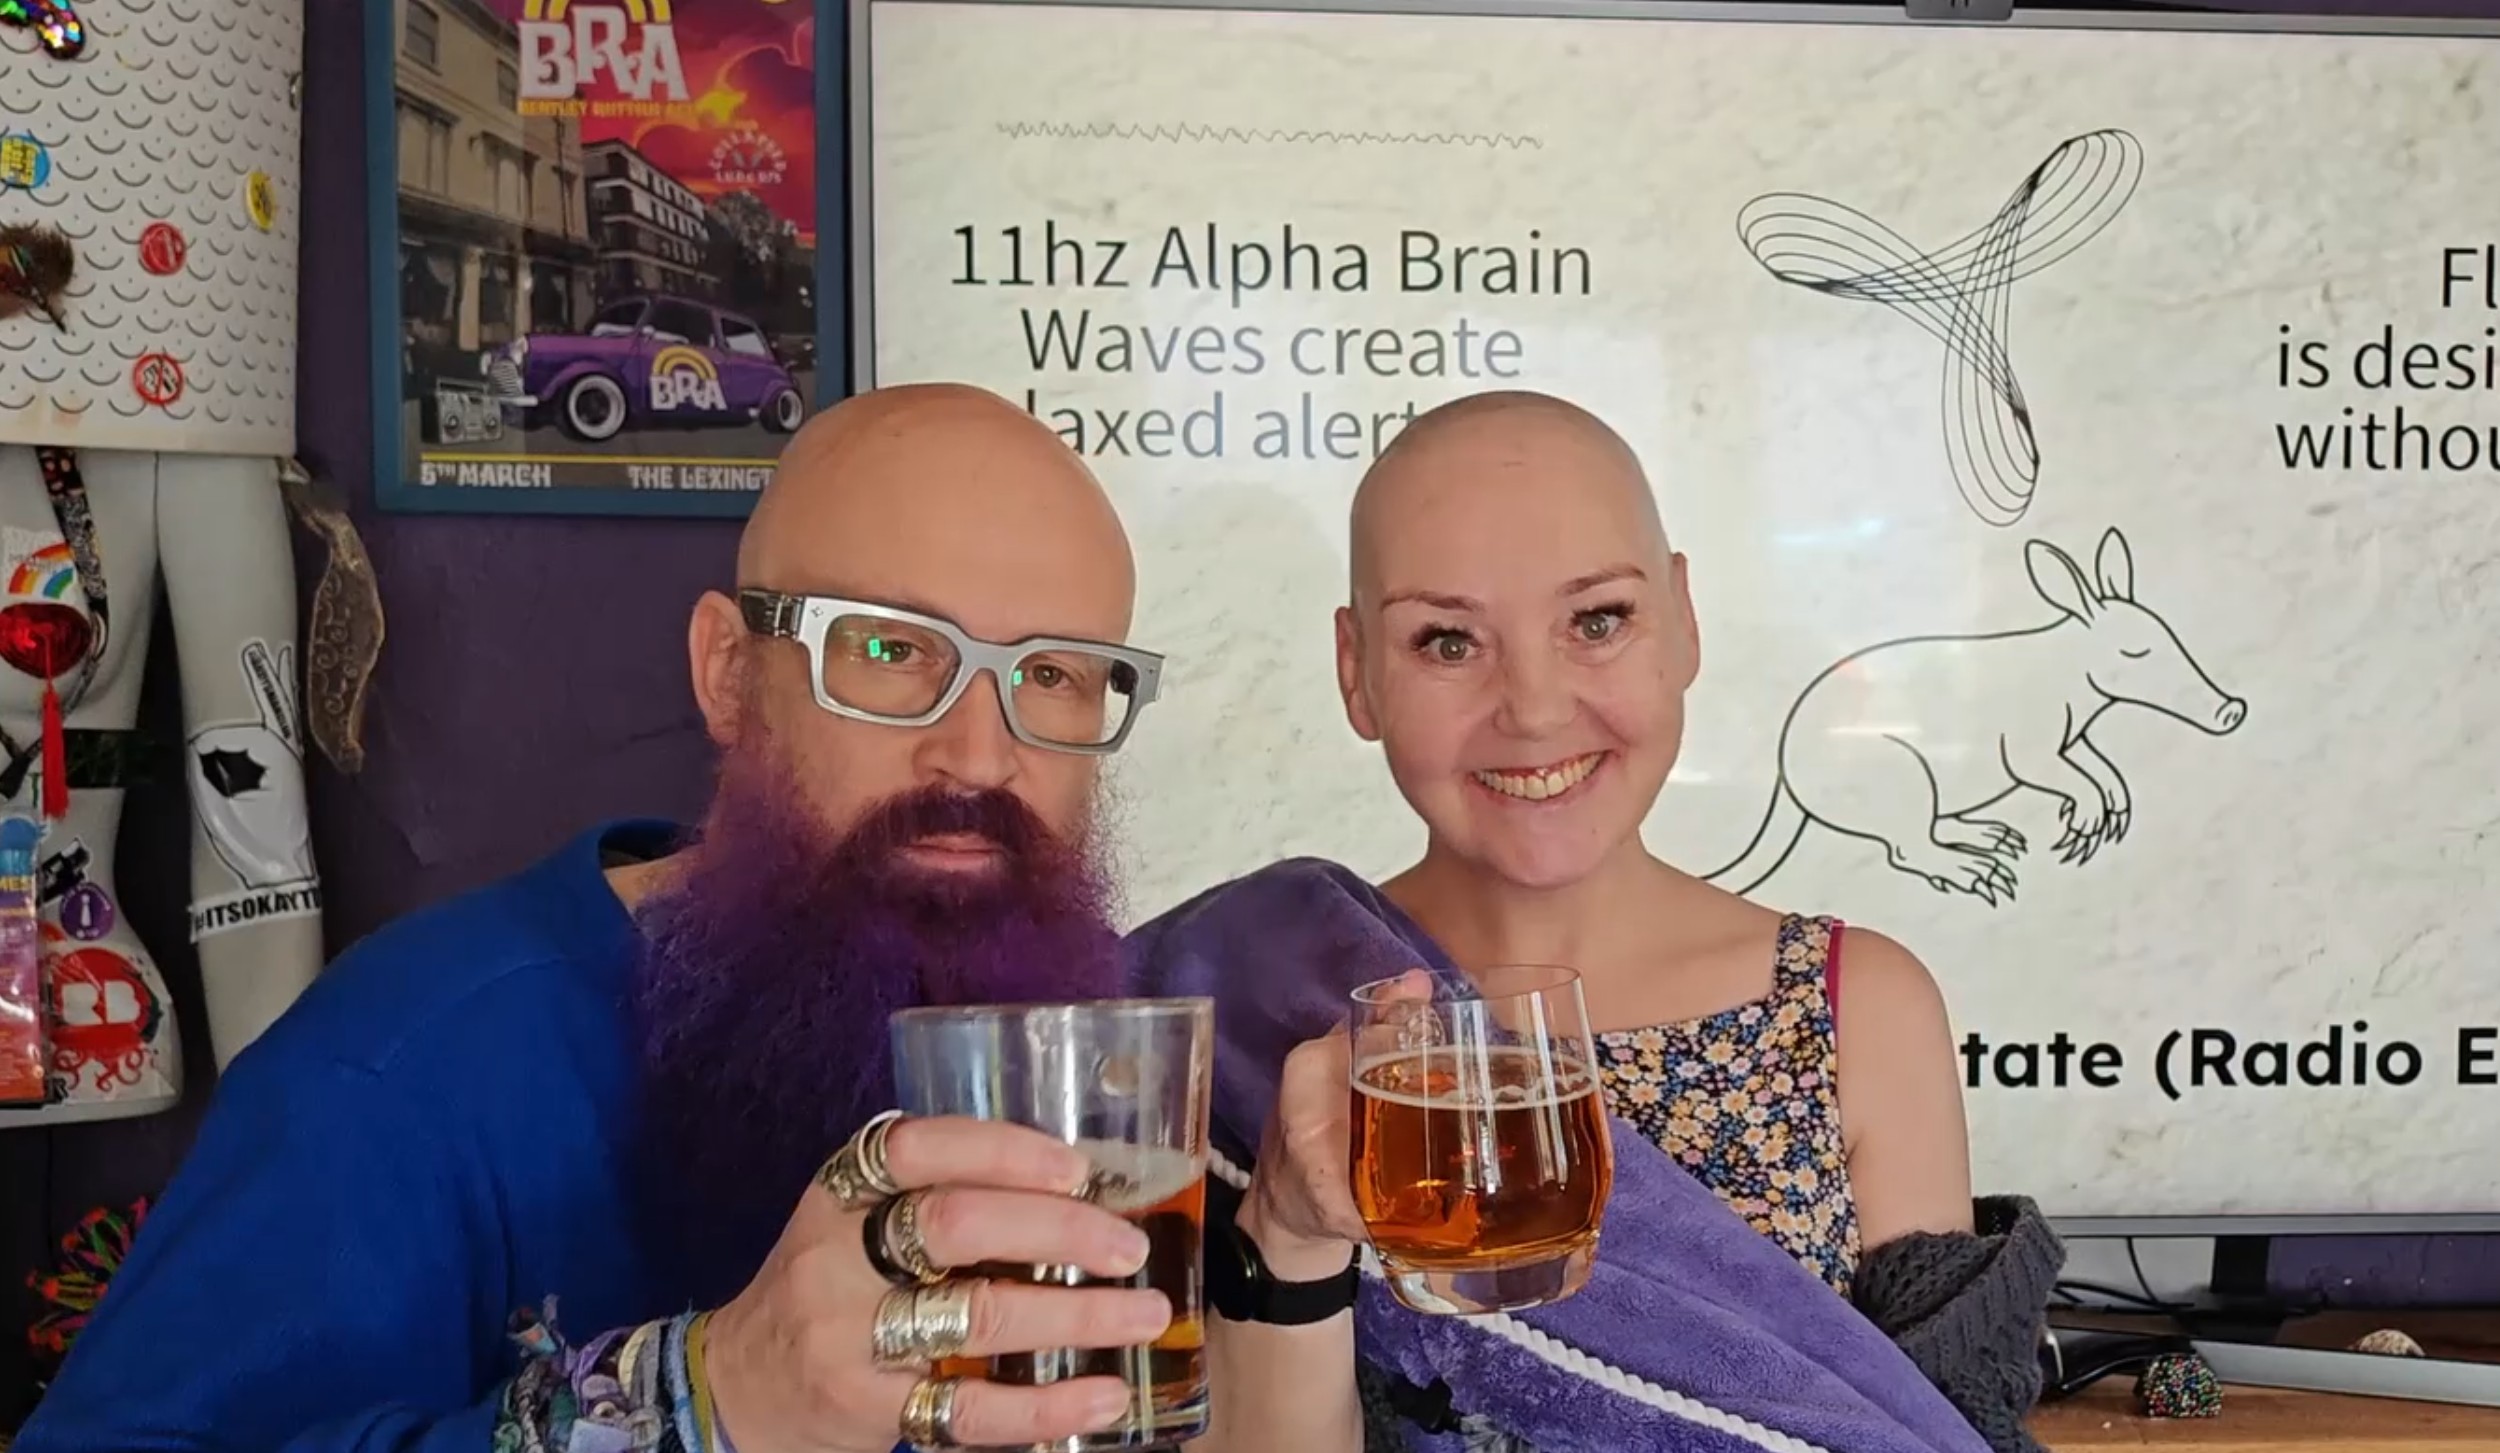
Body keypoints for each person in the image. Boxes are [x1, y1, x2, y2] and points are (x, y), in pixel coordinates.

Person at [14, 383, 1196, 1453]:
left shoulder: (1098, 1064)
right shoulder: (405, 1065)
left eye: (1054, 674)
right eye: (887, 650)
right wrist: (700, 1403)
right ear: (728, 672)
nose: (980, 753)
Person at [1195, 390, 2045, 1453]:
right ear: (1355, 671)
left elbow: (1936, 1434)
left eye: (1596, 620)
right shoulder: (1273, 1010)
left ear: (1683, 621)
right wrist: (1286, 1233)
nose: (1536, 706)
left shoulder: (1855, 1006)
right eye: (1447, 641)